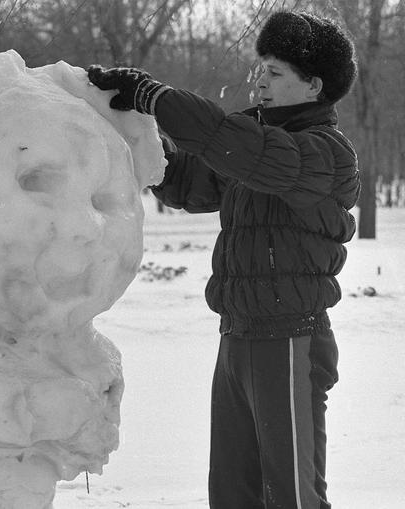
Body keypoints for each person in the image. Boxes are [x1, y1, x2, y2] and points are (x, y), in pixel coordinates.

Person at [88, 10, 359, 509]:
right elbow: (185, 180)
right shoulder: (253, 141)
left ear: (314, 85)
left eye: (276, 73)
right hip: (237, 339)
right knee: (233, 494)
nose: (260, 83)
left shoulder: (323, 153)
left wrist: (156, 95)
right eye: (261, 70)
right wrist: (127, 126)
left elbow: (240, 150)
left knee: (293, 496)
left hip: (290, 340)